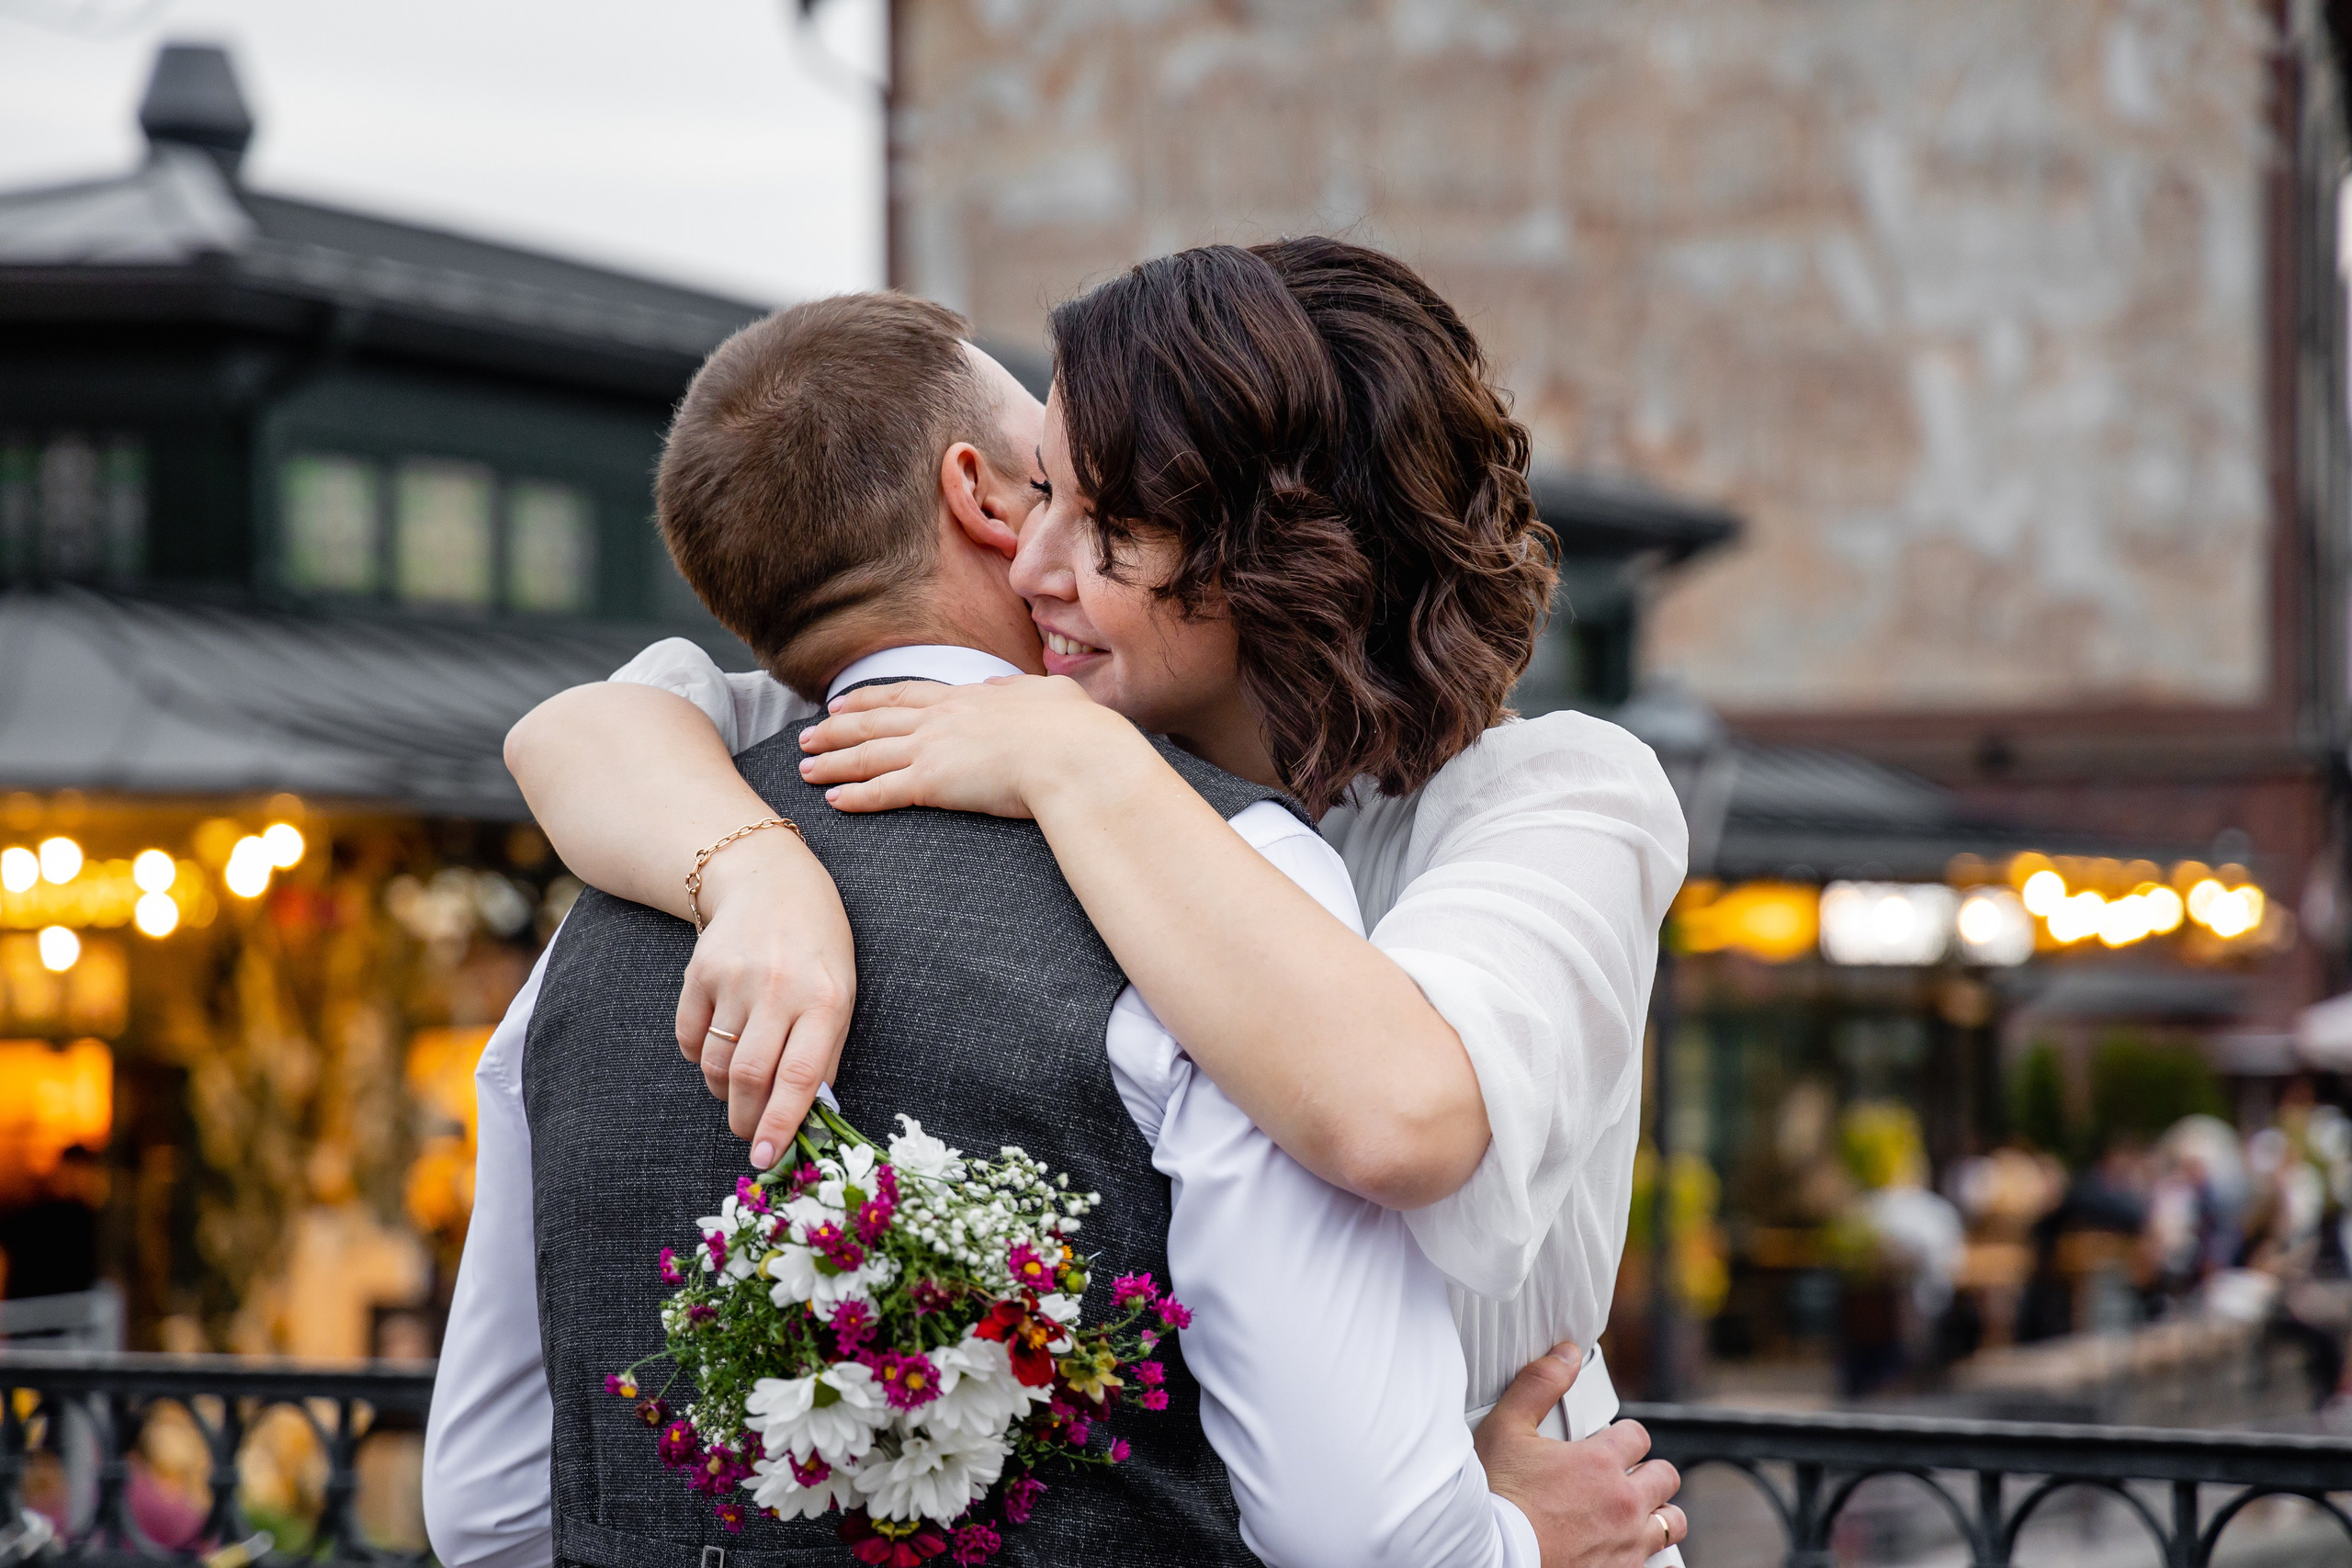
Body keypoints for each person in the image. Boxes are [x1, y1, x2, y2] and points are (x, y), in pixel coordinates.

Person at [424, 292, 1688, 1567]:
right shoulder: (788, 782)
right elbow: (585, 726)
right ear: (971, 497)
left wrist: (1075, 759)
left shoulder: (1541, 797)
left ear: (1264, 546)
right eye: (1048, 493)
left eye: (1103, 519)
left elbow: (1398, 1111)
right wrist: (753, 874)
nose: (1042, 566)